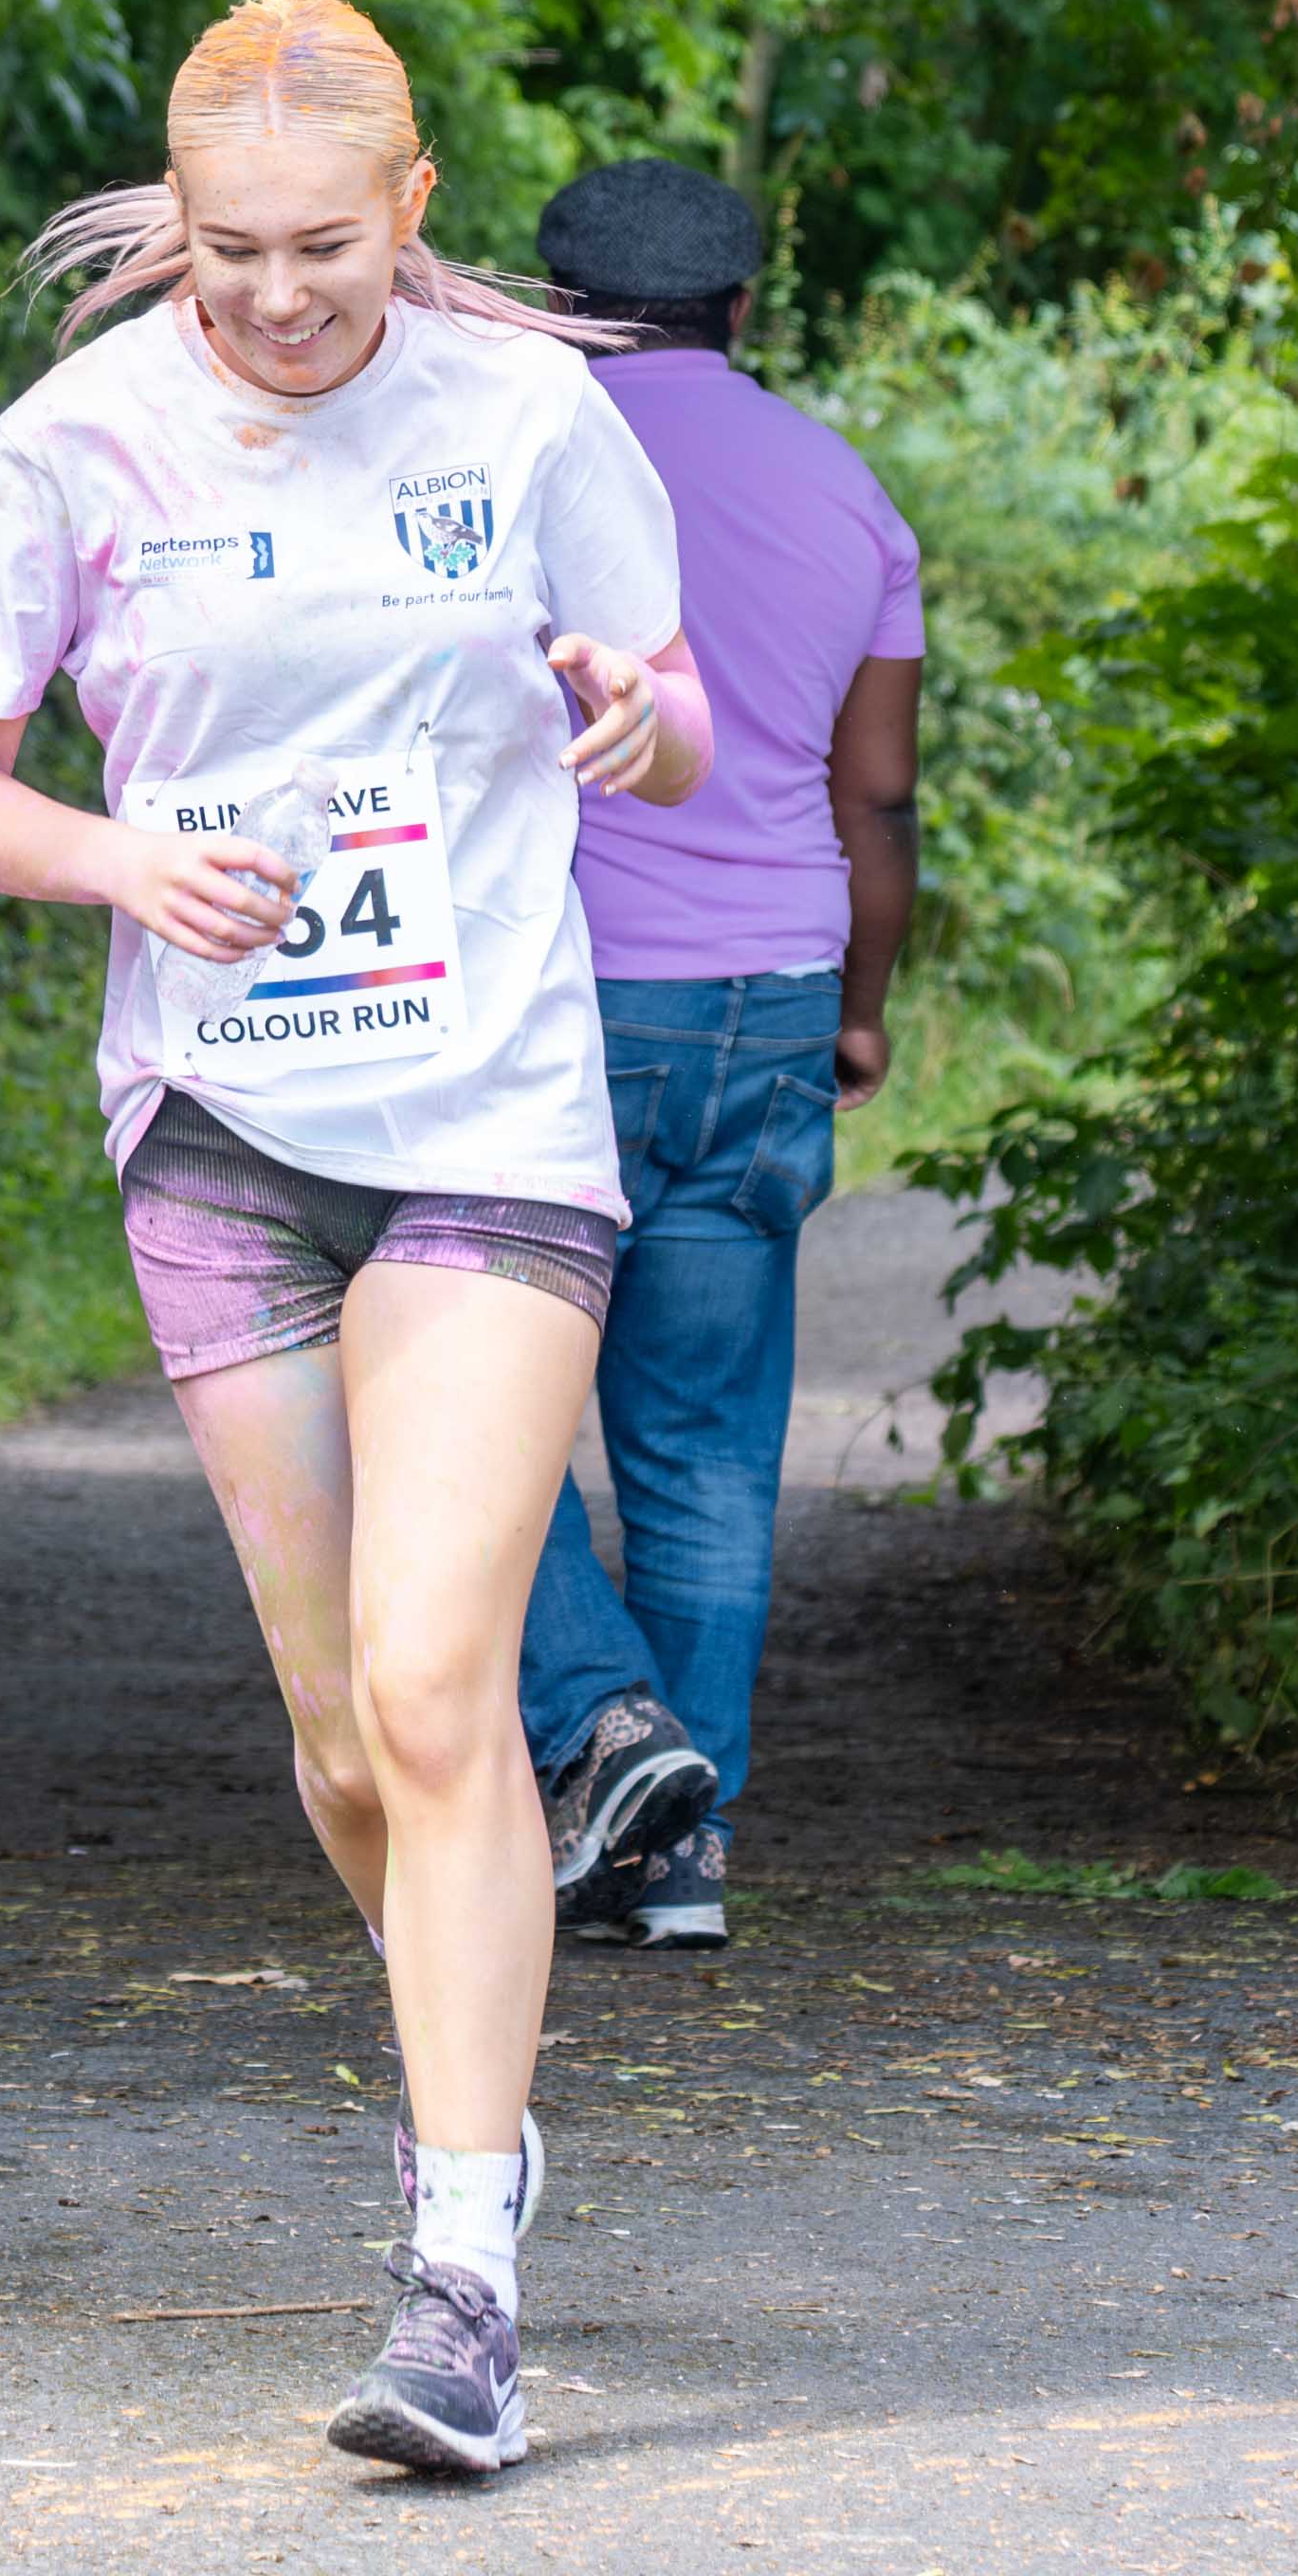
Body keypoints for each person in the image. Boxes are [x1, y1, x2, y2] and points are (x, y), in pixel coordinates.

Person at [0, 0, 709, 2481]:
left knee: (448, 1683)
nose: (272, 295)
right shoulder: (75, 447)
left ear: (416, 206)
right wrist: (122, 856)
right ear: (178, 223)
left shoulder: (533, 423)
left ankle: (465, 2270)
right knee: (348, 1742)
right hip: (223, 1135)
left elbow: (679, 716)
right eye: (230, 251)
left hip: (488, 1113)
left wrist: (628, 709)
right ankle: (460, 2079)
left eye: (322, 249)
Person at [505, 159, 923, 1956]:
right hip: (771, 995)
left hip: (551, 1007)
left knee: (464, 1419)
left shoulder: (507, 469)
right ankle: (680, 1855)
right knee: (700, 1451)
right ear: (749, 310)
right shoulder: (849, 494)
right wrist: (860, 1002)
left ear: (550, 306)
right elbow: (879, 793)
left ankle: (612, 1735)